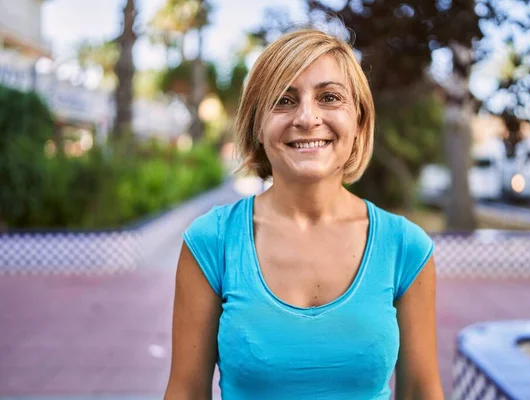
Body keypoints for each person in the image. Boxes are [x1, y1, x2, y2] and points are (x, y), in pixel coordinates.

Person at [164, 28, 443, 400]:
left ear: (359, 123)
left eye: (329, 98)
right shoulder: (211, 242)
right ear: (257, 126)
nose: (307, 117)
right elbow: (185, 392)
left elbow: (422, 393)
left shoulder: (406, 248)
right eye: (283, 100)